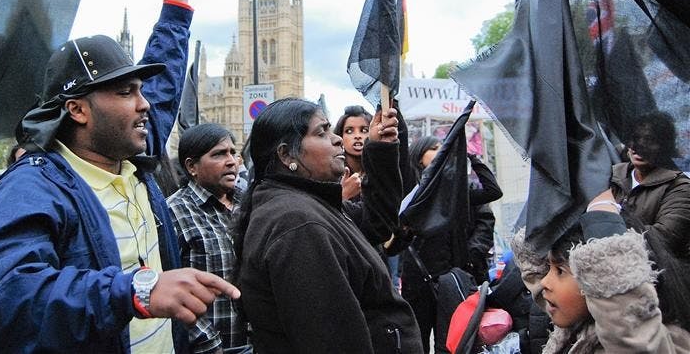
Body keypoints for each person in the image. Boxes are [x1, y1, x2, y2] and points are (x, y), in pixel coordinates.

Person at [0, 0, 240, 354]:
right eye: (126, 93)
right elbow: (2, 299)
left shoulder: (134, 160)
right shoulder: (33, 188)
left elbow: (163, 88)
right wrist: (134, 291)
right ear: (77, 109)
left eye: (140, 91)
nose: (144, 105)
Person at [233, 98, 423, 353]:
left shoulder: (310, 204)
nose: (336, 139)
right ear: (287, 154)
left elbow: (377, 225)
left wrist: (379, 150)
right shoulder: (298, 224)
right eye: (321, 132)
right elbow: (333, 339)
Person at [512, 189, 690, 352]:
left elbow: (625, 320)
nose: (545, 282)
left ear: (600, 275)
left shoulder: (653, 341)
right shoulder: (578, 325)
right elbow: (535, 270)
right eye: (548, 268)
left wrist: (602, 220)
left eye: (560, 271)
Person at [401, 134, 502, 353]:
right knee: (418, 339)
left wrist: (471, 156)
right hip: (419, 279)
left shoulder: (456, 190)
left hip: (453, 277)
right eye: (434, 148)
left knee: (452, 341)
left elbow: (493, 192)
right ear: (419, 158)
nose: (442, 150)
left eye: (443, 147)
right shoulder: (413, 192)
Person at [168, 123, 250, 353]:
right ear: (192, 166)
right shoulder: (174, 212)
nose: (231, 161)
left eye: (233, 153)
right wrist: (211, 345)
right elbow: (172, 293)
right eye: (219, 154)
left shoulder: (248, 204)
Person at [610, 111, 690, 261]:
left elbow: (661, 239)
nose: (638, 147)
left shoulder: (680, 187)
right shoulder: (611, 174)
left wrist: (602, 229)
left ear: (665, 147)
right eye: (635, 138)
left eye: (649, 140)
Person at [333, 105, 372, 201]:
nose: (357, 136)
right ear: (340, 136)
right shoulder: (331, 174)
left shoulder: (381, 172)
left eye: (364, 130)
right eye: (349, 131)